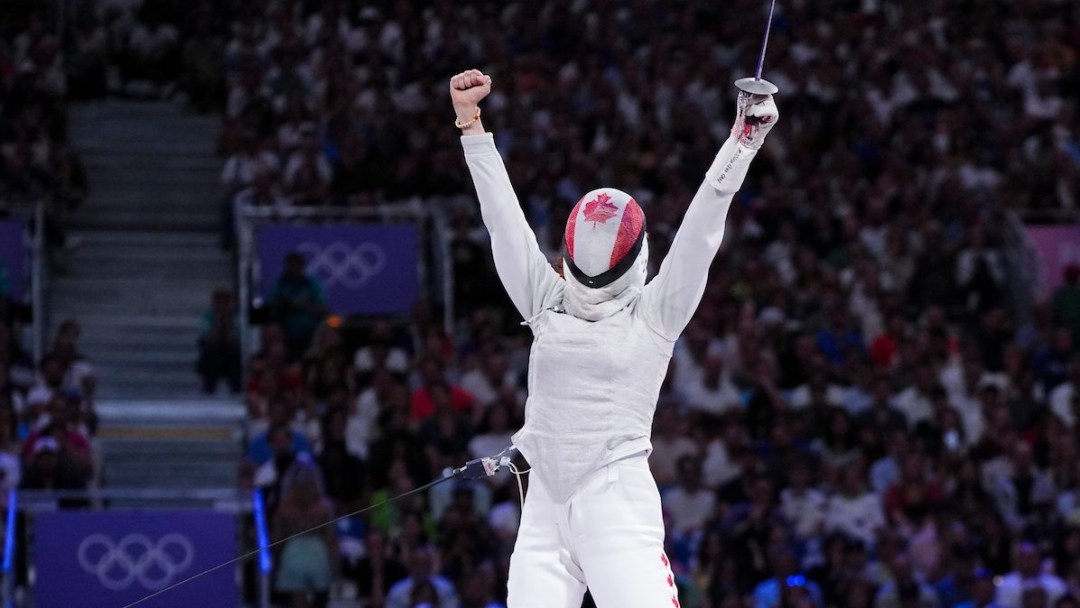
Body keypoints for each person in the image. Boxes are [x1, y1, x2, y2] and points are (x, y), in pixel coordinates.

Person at [449, 68, 778, 607]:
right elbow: (502, 221)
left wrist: (743, 141)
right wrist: (471, 125)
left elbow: (703, 227)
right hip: (544, 513)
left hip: (617, 512)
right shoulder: (547, 301)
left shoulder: (653, 316)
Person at [268, 251, 329, 360]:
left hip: (312, 333)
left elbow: (324, 310)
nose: (293, 269)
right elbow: (270, 307)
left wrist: (303, 305)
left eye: (296, 266)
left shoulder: (312, 283)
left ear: (302, 267)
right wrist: (286, 306)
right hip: (287, 334)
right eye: (291, 266)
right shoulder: (280, 283)